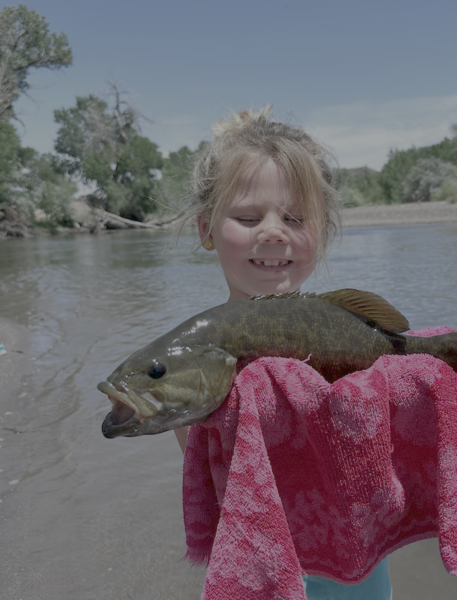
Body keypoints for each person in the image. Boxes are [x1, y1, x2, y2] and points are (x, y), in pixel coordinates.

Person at [175, 106, 392, 599]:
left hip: (361, 570)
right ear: (206, 228)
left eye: (294, 218)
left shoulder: (352, 337)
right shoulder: (194, 358)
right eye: (248, 217)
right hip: (261, 572)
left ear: (323, 229)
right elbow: (213, 478)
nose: (273, 231)